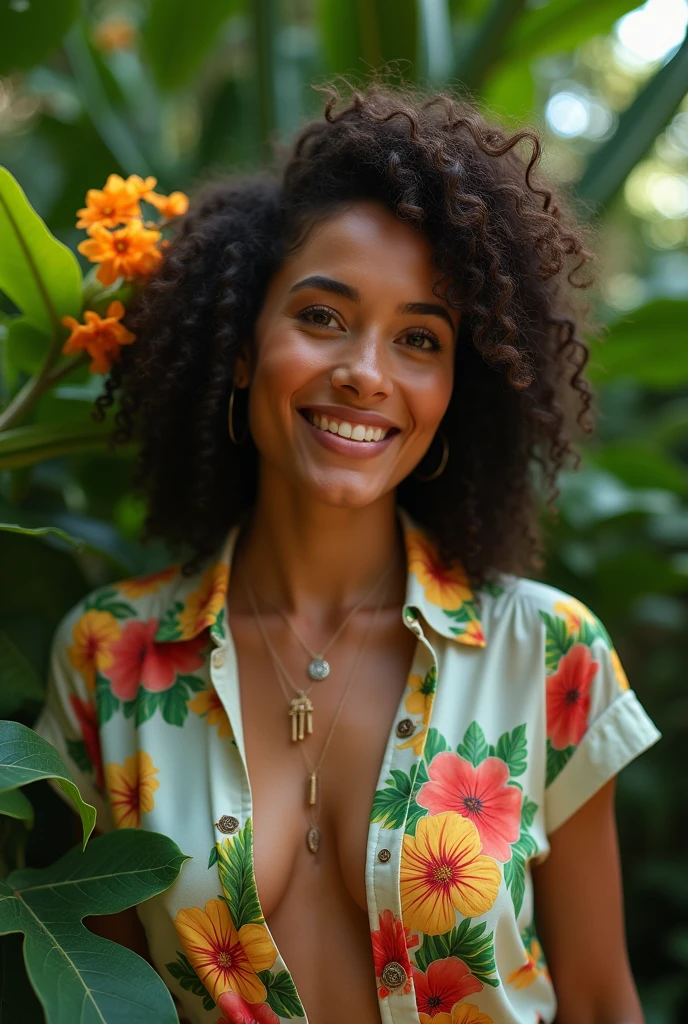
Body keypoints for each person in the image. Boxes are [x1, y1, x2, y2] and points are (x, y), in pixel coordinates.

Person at [33, 80, 660, 1024]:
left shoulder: (548, 655)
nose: (366, 373)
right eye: (322, 316)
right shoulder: (109, 659)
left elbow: (605, 1002)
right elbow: (106, 1002)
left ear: (457, 388)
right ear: (242, 347)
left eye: (419, 338)